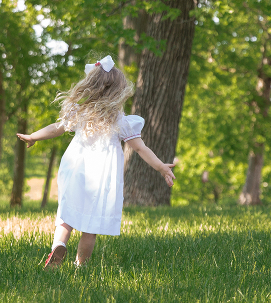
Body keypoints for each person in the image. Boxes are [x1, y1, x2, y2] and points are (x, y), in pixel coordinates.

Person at [17, 55, 175, 269]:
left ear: (90, 86)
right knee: (90, 226)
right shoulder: (120, 121)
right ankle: (80, 266)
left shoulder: (80, 112)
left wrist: (33, 136)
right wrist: (161, 166)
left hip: (75, 168)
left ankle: (59, 244)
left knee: (67, 214)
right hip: (102, 176)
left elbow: (56, 128)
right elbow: (140, 148)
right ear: (119, 91)